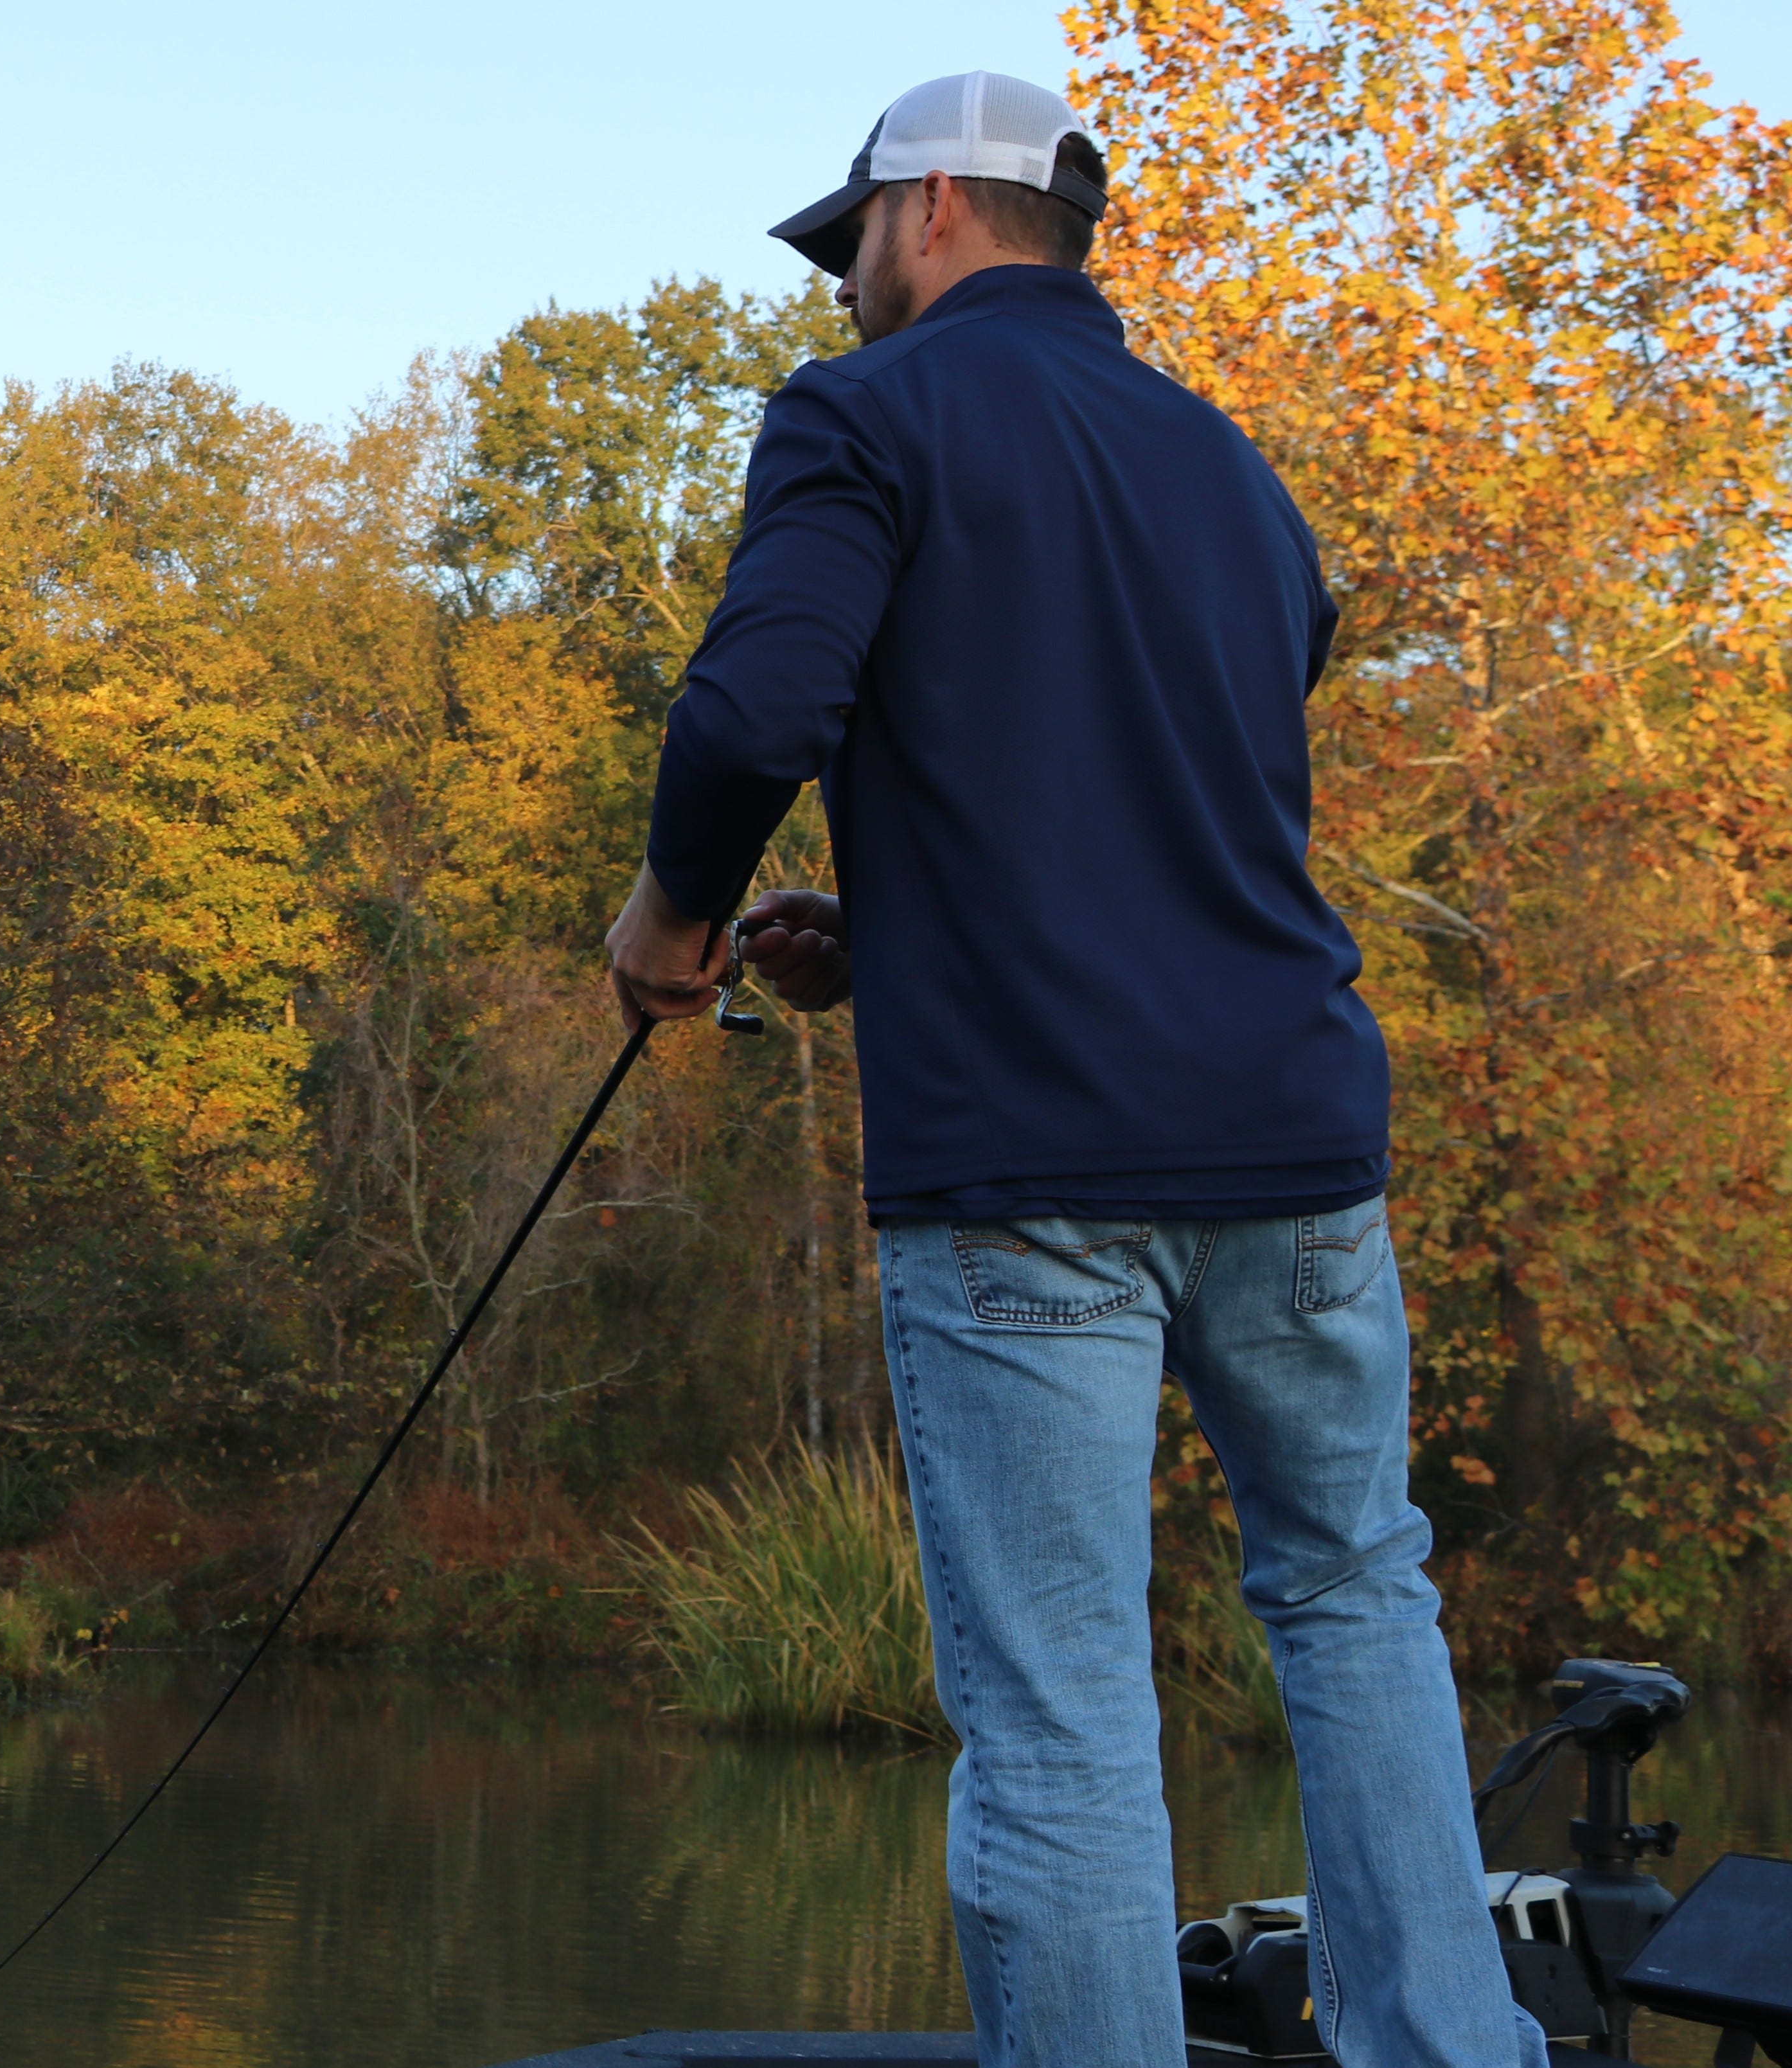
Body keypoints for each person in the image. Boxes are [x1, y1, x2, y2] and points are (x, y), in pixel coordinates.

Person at [599, 71, 1548, 2068]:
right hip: (1295, 1151)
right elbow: (1149, 793)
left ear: (938, 208)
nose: (843, 279)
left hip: (1034, 1179)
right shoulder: (1231, 472)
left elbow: (760, 700)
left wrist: (672, 925)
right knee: (1362, 1601)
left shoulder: (861, 413)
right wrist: (895, 932)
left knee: (1058, 1709)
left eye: (850, 234)